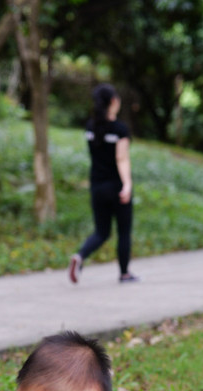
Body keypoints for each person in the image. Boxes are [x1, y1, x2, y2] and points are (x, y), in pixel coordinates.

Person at [69, 83, 137, 284]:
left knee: (101, 231)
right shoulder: (119, 129)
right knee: (123, 232)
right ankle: (124, 273)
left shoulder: (91, 127)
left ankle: (80, 257)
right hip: (116, 187)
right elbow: (121, 159)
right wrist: (127, 185)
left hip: (97, 186)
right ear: (114, 101)